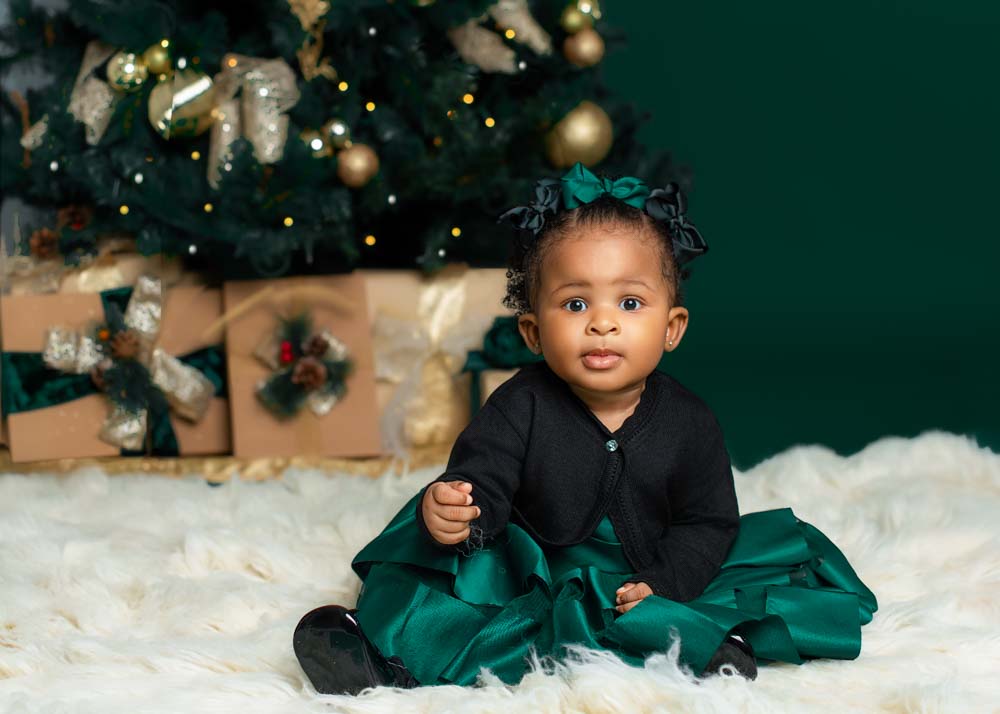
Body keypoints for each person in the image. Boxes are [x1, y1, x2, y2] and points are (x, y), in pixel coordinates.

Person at [293, 163, 878, 696]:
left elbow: (707, 521)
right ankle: (385, 662)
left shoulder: (689, 422)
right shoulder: (519, 404)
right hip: (538, 567)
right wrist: (458, 509)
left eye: (629, 303)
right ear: (532, 331)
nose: (601, 323)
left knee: (741, 580)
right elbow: (484, 474)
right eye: (575, 305)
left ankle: (705, 649)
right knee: (430, 558)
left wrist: (664, 580)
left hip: (649, 572)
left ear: (672, 327)